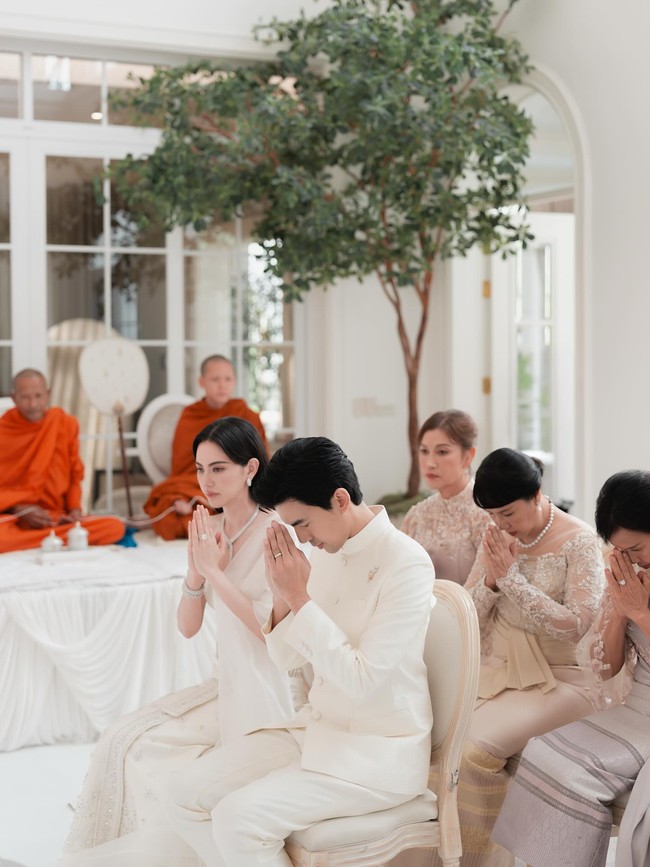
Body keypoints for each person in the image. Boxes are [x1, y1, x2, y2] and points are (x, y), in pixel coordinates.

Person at [164, 436, 436, 867]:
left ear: (340, 499)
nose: (304, 539)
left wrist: (301, 601)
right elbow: (288, 661)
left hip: (376, 752)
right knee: (180, 794)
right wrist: (280, 598)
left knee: (238, 819)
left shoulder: (407, 563)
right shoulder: (326, 550)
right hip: (314, 729)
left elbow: (363, 682)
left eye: (304, 524)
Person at [59, 417, 297, 866]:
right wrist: (195, 570)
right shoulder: (211, 531)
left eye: (218, 469)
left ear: (250, 468)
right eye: (200, 469)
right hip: (224, 680)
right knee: (121, 739)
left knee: (144, 747)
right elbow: (187, 626)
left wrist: (213, 572)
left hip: (268, 689)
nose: (206, 481)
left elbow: (271, 632)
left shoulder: (275, 533)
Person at [405, 447, 605, 867]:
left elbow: (578, 625)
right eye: (492, 515)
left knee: (471, 751)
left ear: (537, 494)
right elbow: (470, 615)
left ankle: (477, 859)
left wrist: (512, 582)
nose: (499, 525)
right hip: (499, 667)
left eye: (508, 513)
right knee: (431, 735)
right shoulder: (496, 535)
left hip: (564, 678)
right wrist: (493, 584)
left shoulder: (580, 540)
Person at [492, 469, 650, 867]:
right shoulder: (628, 572)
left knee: (578, 775)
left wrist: (639, 614)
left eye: (637, 548)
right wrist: (618, 609)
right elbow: (608, 667)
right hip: (635, 704)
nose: (629, 559)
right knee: (542, 749)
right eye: (620, 550)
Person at [143, 355, 268, 540]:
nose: (222, 385)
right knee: (169, 516)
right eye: (215, 379)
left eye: (228, 379)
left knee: (210, 512)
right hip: (193, 483)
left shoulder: (246, 415)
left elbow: (261, 461)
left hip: (234, 483)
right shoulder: (190, 415)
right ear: (202, 382)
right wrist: (181, 495)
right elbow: (181, 466)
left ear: (234, 382)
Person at [0, 368, 125, 553]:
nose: (33, 404)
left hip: (55, 517)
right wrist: (19, 509)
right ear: (14, 397)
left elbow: (74, 476)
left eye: (38, 396)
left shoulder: (64, 424)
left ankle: (51, 537)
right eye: (25, 397)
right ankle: (56, 538)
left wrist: (74, 510)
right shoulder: (4, 431)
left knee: (114, 527)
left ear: (48, 394)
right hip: (15, 517)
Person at [401, 409, 491, 583]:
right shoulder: (416, 516)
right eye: (424, 451)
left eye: (442, 452)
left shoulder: (485, 515)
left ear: (468, 455)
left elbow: (486, 589)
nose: (430, 463)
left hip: (467, 609)